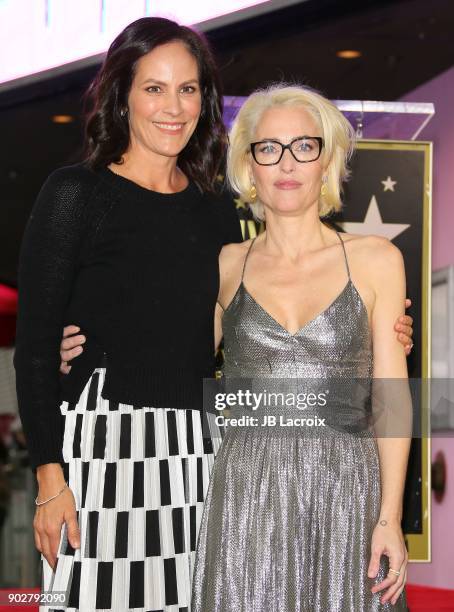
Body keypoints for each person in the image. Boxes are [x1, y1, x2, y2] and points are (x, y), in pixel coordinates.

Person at [14, 17, 242, 611]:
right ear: (122, 97)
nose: (174, 106)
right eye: (154, 88)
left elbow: (245, 314)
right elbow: (36, 347)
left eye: (188, 88)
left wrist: (368, 318)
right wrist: (48, 481)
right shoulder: (76, 193)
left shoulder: (216, 208)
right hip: (98, 450)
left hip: (195, 450)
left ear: (205, 100)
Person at [191, 84, 411, 611]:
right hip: (247, 493)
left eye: (304, 146)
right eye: (268, 148)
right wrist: (81, 351)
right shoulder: (223, 265)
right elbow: (170, 361)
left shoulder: (376, 258)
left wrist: (390, 517)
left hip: (347, 492)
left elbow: (394, 399)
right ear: (249, 165)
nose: (286, 163)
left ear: (327, 159)